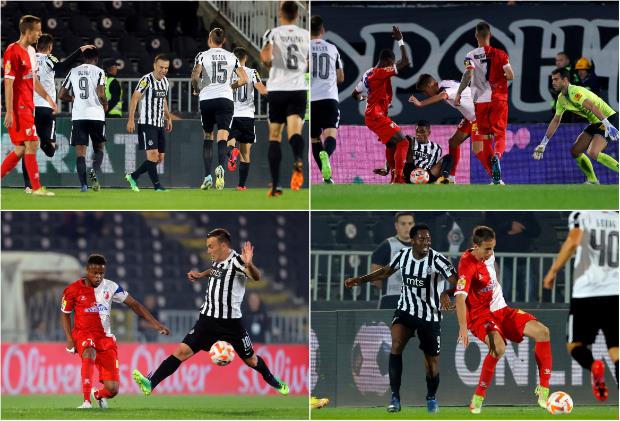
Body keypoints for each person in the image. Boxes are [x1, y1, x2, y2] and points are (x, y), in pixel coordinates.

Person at [132, 229, 289, 396]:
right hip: (207, 321)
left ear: (223, 246)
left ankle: (273, 380)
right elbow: (215, 272)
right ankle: (151, 383)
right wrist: (201, 274)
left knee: (251, 360)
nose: (208, 250)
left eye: (211, 246)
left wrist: (249, 264)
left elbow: (256, 277)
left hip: (231, 324)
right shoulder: (217, 261)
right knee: (181, 352)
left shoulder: (238, 262)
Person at [345, 224, 457, 413]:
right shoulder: (403, 255)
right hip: (406, 310)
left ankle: (431, 398)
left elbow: (459, 282)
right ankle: (395, 398)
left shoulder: (437, 260)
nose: (426, 242)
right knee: (395, 345)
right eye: (422, 239)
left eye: (428, 239)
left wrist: (447, 292)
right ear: (412, 240)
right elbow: (385, 271)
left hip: (430, 315)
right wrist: (361, 280)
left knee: (431, 365)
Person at [455, 226, 553, 414]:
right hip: (481, 316)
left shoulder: (488, 254)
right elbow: (460, 298)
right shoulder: (467, 265)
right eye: (487, 249)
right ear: (475, 246)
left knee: (543, 332)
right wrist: (462, 327)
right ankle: (478, 397)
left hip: (502, 310)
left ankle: (543, 390)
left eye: (493, 248)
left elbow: (492, 272)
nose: (490, 252)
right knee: (499, 348)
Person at [60, 253, 170, 409]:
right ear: (87, 271)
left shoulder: (111, 287)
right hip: (84, 334)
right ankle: (86, 401)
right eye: (95, 273)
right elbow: (65, 314)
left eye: (101, 273)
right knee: (89, 352)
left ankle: (98, 395)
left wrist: (156, 324)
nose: (98, 277)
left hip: (105, 339)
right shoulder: (72, 290)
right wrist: (70, 339)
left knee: (112, 389)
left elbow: (134, 304)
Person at [543, 211, 618, 401]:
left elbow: (573, 241)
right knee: (616, 349)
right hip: (615, 293)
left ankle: (593, 366)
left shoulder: (582, 215)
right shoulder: (617, 219)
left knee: (575, 345)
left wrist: (553, 271)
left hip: (586, 292)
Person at [22, 34, 95, 192]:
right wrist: (79, 50)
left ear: (37, 46)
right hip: (46, 108)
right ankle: (44, 142)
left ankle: (27, 185)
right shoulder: (49, 58)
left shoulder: (29, 58)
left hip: (29, 108)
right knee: (50, 150)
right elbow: (61, 67)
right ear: (50, 47)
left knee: (27, 147)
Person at [1, 15, 57, 196]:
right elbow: (8, 83)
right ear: (27, 31)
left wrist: (48, 97)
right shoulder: (12, 51)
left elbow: (33, 80)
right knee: (32, 143)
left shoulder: (31, 52)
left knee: (21, 149)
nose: (40, 34)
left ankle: (35, 187)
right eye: (37, 31)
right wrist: (9, 111)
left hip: (29, 105)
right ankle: (36, 188)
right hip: (19, 107)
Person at [533, 68, 618, 184]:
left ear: (565, 80)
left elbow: (592, 107)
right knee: (575, 151)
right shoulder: (561, 99)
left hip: (608, 119)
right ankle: (593, 180)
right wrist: (543, 143)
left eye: (556, 79)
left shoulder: (574, 92)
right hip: (596, 122)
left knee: (593, 152)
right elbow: (556, 121)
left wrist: (607, 124)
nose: (553, 82)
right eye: (552, 80)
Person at [454, 21, 514, 185]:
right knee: (500, 134)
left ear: (476, 36)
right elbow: (510, 75)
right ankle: (497, 156)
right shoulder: (501, 54)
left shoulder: (470, 55)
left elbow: (468, 74)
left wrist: (459, 93)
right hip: (498, 98)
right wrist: (498, 78)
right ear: (490, 35)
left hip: (480, 101)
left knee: (485, 137)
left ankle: (495, 177)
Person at [260, 1, 309, 196]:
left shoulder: (272, 33)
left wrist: (271, 61)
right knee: (294, 133)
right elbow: (309, 62)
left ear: (280, 14)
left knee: (275, 136)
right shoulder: (305, 35)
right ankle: (298, 158)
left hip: (278, 89)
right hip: (298, 89)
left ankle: (276, 186)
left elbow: (266, 58)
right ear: (297, 15)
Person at [352, 26, 410, 184]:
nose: (392, 67)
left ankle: (392, 179)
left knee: (392, 145)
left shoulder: (368, 73)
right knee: (403, 142)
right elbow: (406, 61)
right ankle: (398, 178)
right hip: (376, 116)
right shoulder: (380, 72)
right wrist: (400, 40)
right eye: (392, 64)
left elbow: (354, 94)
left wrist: (364, 98)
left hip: (373, 115)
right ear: (388, 62)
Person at [192, 28, 248, 191]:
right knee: (222, 137)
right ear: (223, 41)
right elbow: (244, 79)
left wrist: (196, 88)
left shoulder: (202, 55)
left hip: (207, 99)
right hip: (225, 100)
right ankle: (221, 169)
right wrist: (230, 87)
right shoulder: (232, 57)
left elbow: (195, 75)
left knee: (208, 136)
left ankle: (207, 177)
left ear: (210, 39)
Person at [410, 74, 492, 183]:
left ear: (430, 84)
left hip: (479, 116)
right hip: (471, 117)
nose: (426, 95)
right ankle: (451, 178)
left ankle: (496, 178)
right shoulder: (444, 84)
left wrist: (421, 103)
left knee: (478, 150)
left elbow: (442, 96)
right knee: (453, 142)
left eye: (425, 91)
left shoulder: (446, 88)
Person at [58, 47, 108, 192]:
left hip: (79, 116)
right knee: (99, 148)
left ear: (83, 58)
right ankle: (93, 170)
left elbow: (61, 95)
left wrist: (73, 98)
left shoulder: (73, 71)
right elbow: (101, 93)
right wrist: (105, 104)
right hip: (96, 115)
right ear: (96, 59)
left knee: (80, 153)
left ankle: (84, 185)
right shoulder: (99, 72)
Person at [125, 54, 172, 192]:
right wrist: (131, 119)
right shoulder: (146, 80)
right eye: (161, 67)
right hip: (147, 123)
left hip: (159, 123)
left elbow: (163, 100)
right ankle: (157, 186)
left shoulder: (165, 82)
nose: (163, 70)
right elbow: (135, 98)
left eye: (166, 68)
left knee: (159, 158)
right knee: (152, 156)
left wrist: (168, 117)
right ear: (154, 66)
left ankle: (133, 176)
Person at [226, 47, 268, 191]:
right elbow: (262, 90)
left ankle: (232, 152)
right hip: (247, 116)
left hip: (231, 115)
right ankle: (241, 185)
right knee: (245, 154)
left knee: (229, 143)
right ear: (246, 58)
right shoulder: (252, 72)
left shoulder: (228, 73)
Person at [310, 15, 344, 184]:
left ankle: (326, 177)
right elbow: (341, 77)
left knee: (315, 139)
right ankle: (326, 154)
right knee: (330, 135)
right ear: (322, 30)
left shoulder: (304, 49)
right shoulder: (332, 48)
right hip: (329, 98)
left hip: (311, 100)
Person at [483, 212, 541, 302]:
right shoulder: (494, 211)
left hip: (524, 259)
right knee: (503, 293)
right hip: (502, 260)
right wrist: (508, 226)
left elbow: (536, 230)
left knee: (529, 293)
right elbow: (487, 231)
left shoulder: (525, 211)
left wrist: (522, 228)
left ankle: (529, 311)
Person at [373, 121, 452, 184]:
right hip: (409, 172)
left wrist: (425, 172)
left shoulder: (436, 148)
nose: (418, 134)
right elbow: (396, 153)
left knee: (449, 157)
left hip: (426, 174)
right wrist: (386, 169)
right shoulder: (409, 142)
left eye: (422, 132)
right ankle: (398, 176)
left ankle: (444, 179)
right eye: (417, 131)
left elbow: (434, 165)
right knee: (406, 140)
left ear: (429, 132)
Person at [370, 212, 415, 309]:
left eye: (410, 223)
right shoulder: (387, 245)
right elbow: (375, 274)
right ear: (396, 226)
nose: (407, 227)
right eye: (403, 224)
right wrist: (386, 287)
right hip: (390, 298)